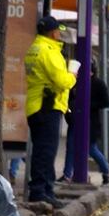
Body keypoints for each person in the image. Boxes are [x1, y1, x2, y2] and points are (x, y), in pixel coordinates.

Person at [24, 16, 79, 206]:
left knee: (43, 149)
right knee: (46, 151)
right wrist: (72, 76)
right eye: (58, 30)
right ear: (52, 32)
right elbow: (62, 81)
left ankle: (46, 190)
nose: (59, 33)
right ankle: (40, 191)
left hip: (37, 105)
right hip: (47, 106)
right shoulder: (48, 52)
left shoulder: (34, 48)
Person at [59, 62, 109, 185]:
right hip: (75, 120)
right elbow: (68, 98)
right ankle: (67, 174)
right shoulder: (75, 82)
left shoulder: (98, 84)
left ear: (91, 72)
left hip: (91, 121)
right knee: (71, 146)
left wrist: (88, 105)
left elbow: (106, 102)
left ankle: (107, 171)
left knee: (90, 148)